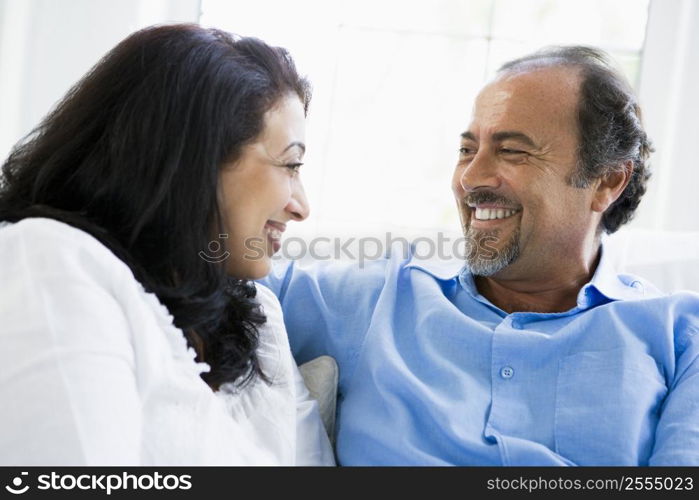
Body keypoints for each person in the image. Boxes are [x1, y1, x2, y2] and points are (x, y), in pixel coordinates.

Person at [261, 46, 699, 465]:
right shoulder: (379, 295)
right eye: (467, 150)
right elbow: (209, 276)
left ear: (606, 182)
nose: (470, 178)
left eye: (512, 151)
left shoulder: (679, 338)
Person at [0, 24, 334, 465]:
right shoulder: (53, 265)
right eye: (290, 165)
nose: (301, 207)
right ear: (198, 160)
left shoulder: (258, 317)